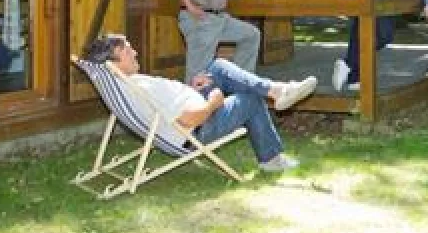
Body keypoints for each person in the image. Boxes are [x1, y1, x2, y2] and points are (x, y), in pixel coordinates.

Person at [85, 33, 317, 172]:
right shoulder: (140, 88)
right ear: (114, 64)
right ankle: (271, 158)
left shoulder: (129, 84)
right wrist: (213, 103)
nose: (134, 52)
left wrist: (190, 89)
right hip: (196, 130)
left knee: (219, 67)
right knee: (250, 99)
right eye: (127, 51)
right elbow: (188, 119)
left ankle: (277, 90)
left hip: (192, 112)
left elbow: (170, 107)